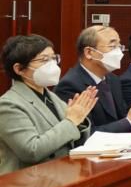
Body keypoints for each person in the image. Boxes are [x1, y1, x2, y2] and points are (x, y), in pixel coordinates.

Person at [0, 34, 96, 173]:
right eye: (44, 60)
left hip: (61, 173)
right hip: (29, 180)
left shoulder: (51, 96)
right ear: (19, 69)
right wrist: (71, 121)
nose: (52, 64)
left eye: (53, 58)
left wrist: (79, 121)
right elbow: (31, 151)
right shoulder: (8, 104)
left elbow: (69, 139)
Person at [54, 25, 131, 132]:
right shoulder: (70, 85)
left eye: (119, 46)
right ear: (89, 52)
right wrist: (130, 121)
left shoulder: (113, 79)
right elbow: (84, 133)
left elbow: (121, 119)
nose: (119, 52)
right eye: (112, 46)